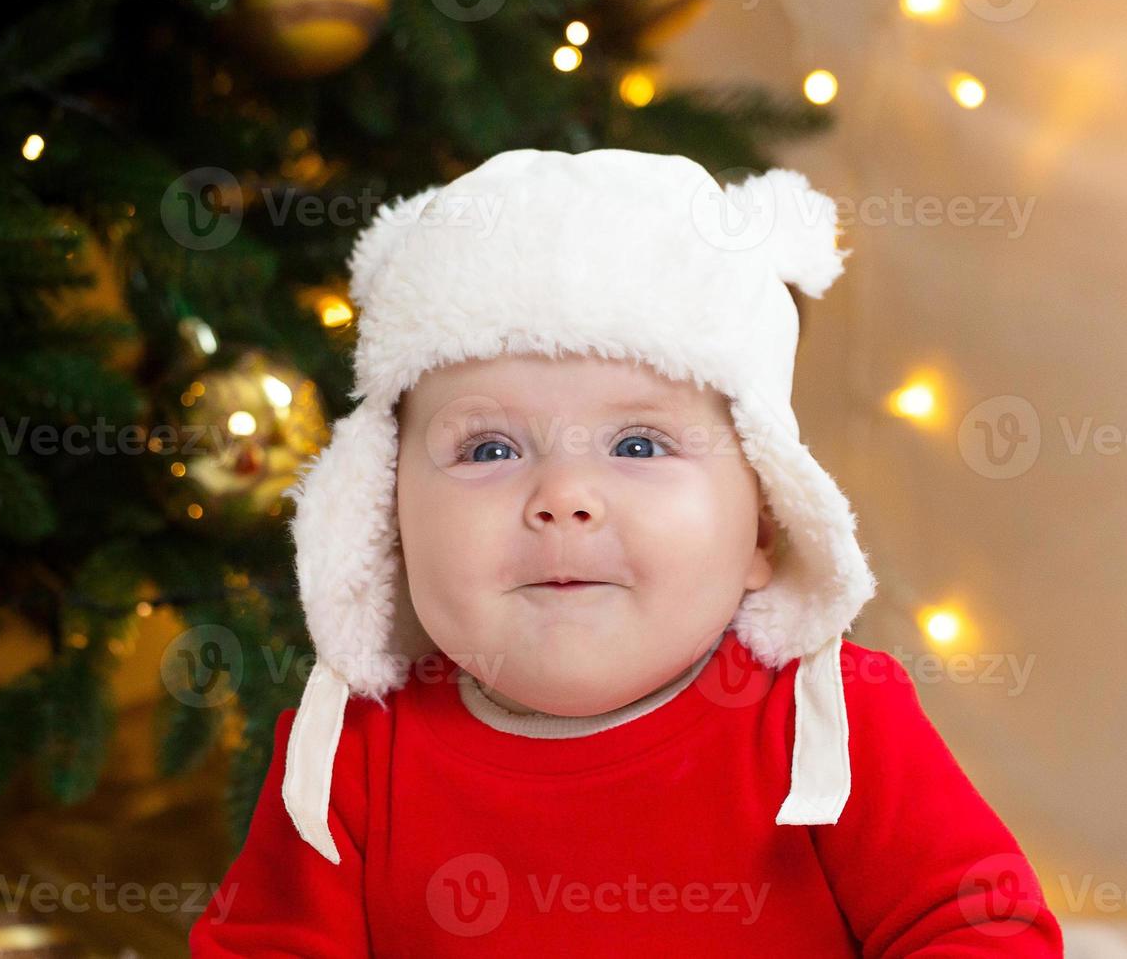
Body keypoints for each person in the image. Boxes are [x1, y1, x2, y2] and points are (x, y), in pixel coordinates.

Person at [188, 149, 1063, 956]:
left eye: (639, 446)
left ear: (763, 524)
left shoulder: (829, 720)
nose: (563, 498)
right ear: (388, 514)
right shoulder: (353, 752)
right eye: (488, 449)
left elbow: (981, 927)